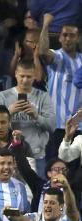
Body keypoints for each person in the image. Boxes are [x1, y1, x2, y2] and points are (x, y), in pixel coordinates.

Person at [0, 59, 56, 177]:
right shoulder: (2, 96)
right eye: (22, 76)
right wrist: (9, 112)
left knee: (36, 193)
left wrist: (36, 116)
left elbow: (52, 126)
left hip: (36, 155)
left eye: (29, 77)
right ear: (15, 74)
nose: (25, 80)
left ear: (35, 76)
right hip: (9, 156)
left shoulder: (43, 97)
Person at [38, 14, 82, 147]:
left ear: (78, 38)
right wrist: (45, 26)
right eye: (65, 35)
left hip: (79, 127)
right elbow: (42, 52)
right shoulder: (57, 56)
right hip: (57, 125)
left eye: (72, 35)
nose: (68, 39)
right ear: (60, 38)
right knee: (55, 166)